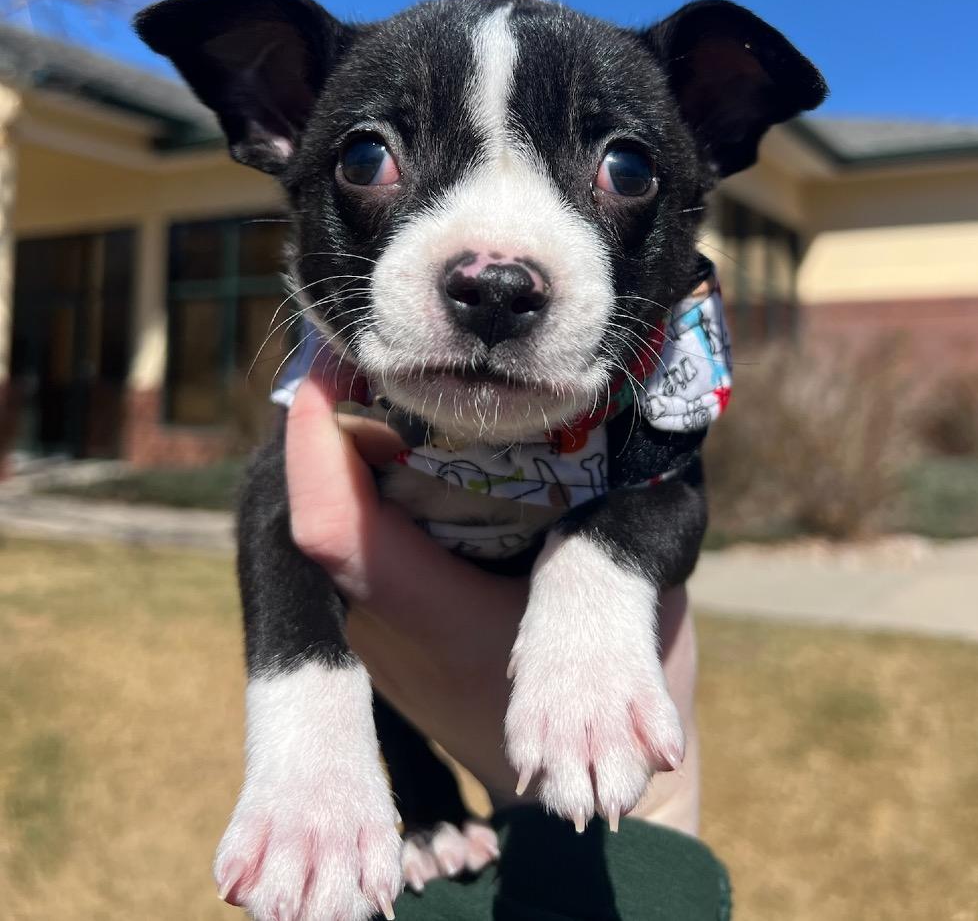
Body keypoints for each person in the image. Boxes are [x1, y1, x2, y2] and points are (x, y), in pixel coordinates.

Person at [282, 377, 732, 920]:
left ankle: (436, 811)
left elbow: (672, 499)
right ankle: (429, 806)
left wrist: (654, 810)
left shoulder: (656, 408)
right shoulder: (351, 397)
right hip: (405, 713)